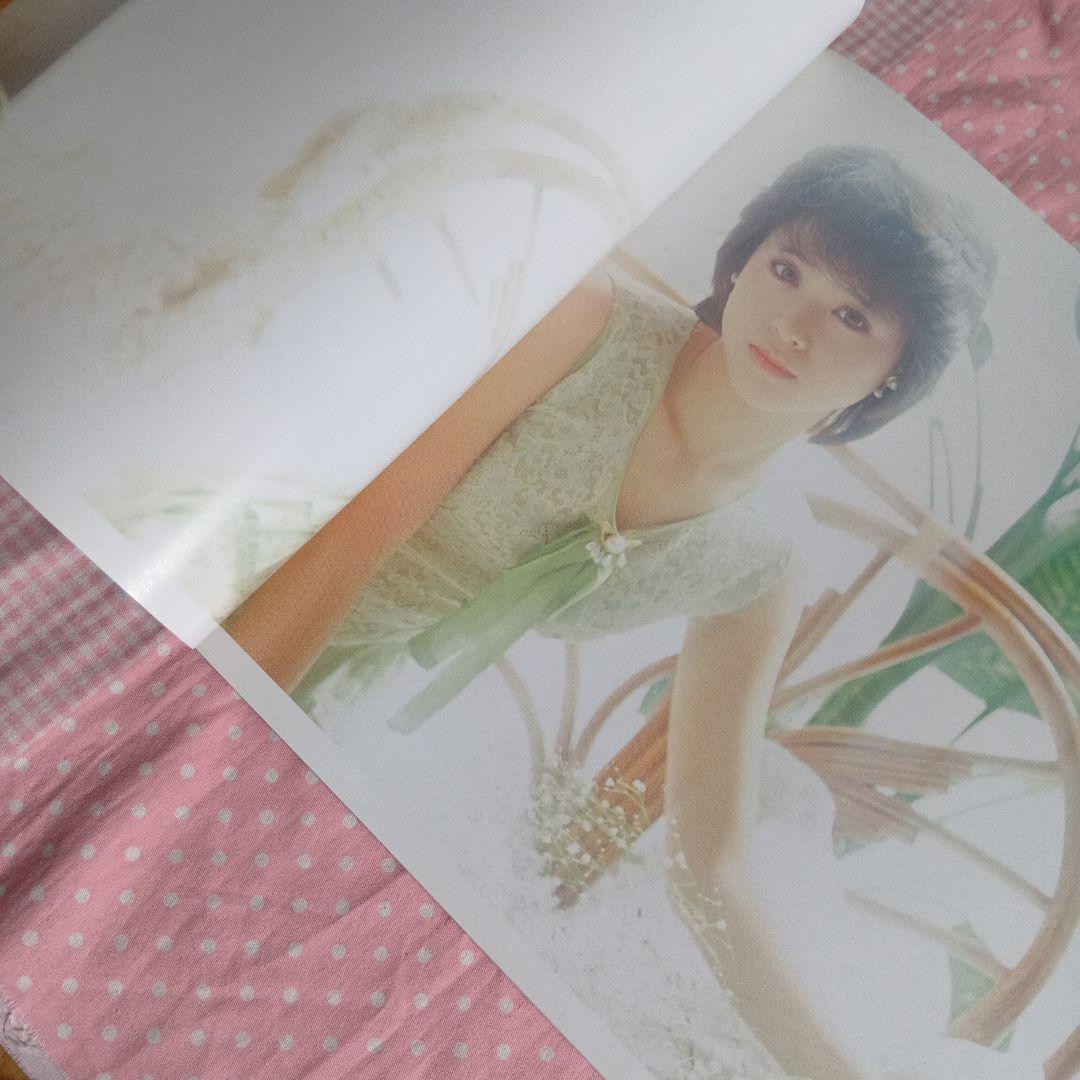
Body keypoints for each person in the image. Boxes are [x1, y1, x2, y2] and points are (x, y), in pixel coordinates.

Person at [223, 145, 995, 1078]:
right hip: (245, 592)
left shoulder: (763, 561)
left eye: (851, 316)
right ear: (743, 259)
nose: (792, 326)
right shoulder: (581, 323)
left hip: (334, 698)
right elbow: (354, 533)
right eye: (788, 269)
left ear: (891, 379)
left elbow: (711, 863)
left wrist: (834, 1072)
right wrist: (216, 727)